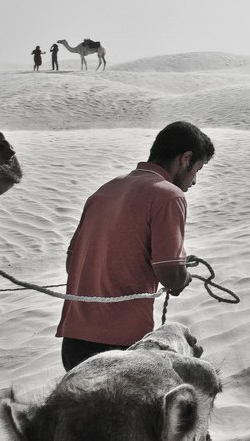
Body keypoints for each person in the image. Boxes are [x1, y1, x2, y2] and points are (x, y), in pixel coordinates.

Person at [56, 121, 215, 371]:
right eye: (198, 169)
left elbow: (71, 263)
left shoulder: (105, 190)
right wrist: (182, 278)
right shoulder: (168, 195)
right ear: (186, 159)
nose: (194, 181)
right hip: (118, 347)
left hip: (73, 344)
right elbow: (170, 273)